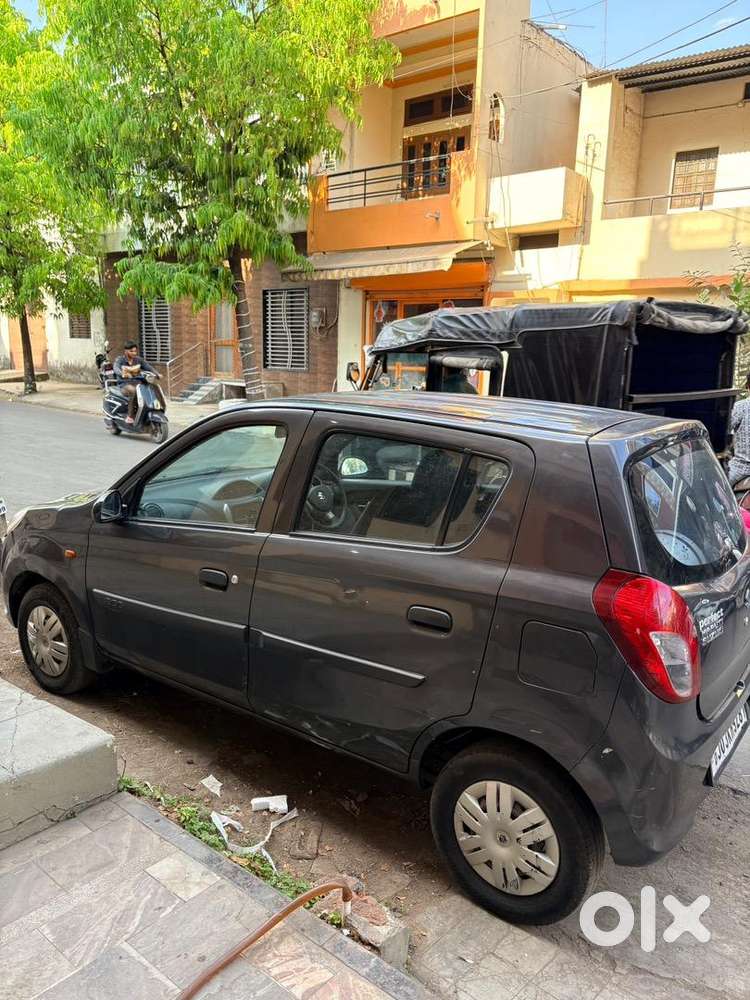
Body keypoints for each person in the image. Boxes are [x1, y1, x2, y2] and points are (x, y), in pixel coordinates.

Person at [113, 341, 157, 424]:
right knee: (134, 391)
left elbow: (148, 367)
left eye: (135, 351)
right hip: (124, 384)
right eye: (131, 351)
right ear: (126, 351)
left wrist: (157, 374)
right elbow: (116, 368)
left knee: (151, 388)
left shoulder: (138, 360)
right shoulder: (120, 360)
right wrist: (122, 373)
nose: (134, 353)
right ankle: (130, 416)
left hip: (137, 383)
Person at [728, 373, 750, 485]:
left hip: (742, 467)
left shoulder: (741, 406)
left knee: (715, 488)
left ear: (748, 386)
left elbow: (727, 430)